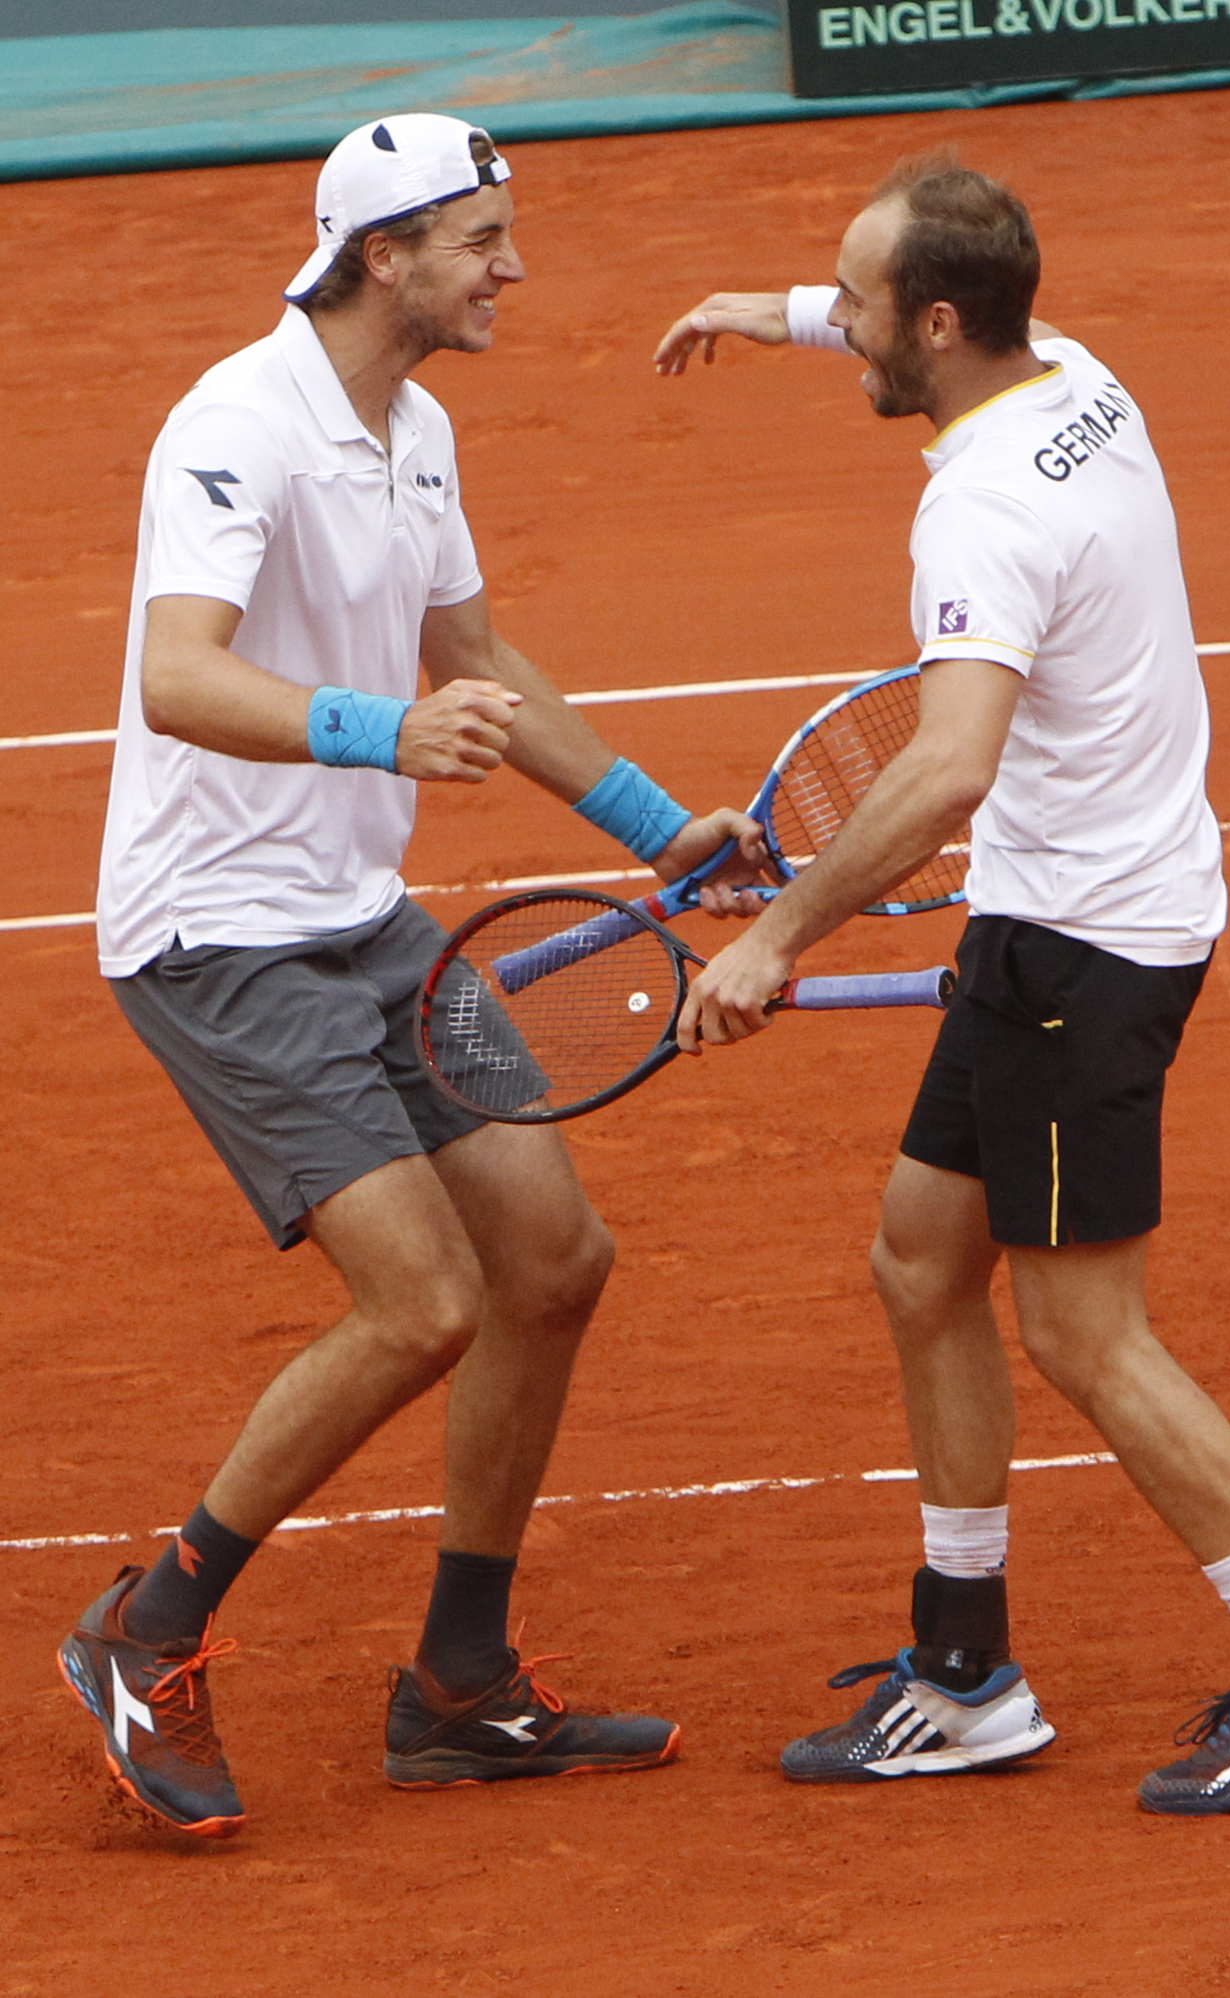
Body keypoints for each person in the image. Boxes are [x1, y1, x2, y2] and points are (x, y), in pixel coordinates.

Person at [651, 151, 1230, 1814]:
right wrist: (766, 313)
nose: (836, 322)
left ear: (934, 323)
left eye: (853, 307)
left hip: (1087, 945)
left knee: (1086, 1329)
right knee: (924, 1261)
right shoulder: (1074, 370)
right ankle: (965, 1671)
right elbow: (922, 295)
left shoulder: (980, 504)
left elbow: (943, 770)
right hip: (1055, 923)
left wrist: (776, 937)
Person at [59, 112, 764, 1839]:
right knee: (422, 1301)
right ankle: (144, 1631)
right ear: (388, 255)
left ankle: (457, 1685)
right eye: (483, 241)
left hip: (363, 918)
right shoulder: (238, 425)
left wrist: (657, 821)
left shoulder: (418, 423)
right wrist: (379, 729)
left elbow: (473, 652)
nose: (512, 268)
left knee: (552, 1259)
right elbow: (174, 677)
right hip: (218, 931)